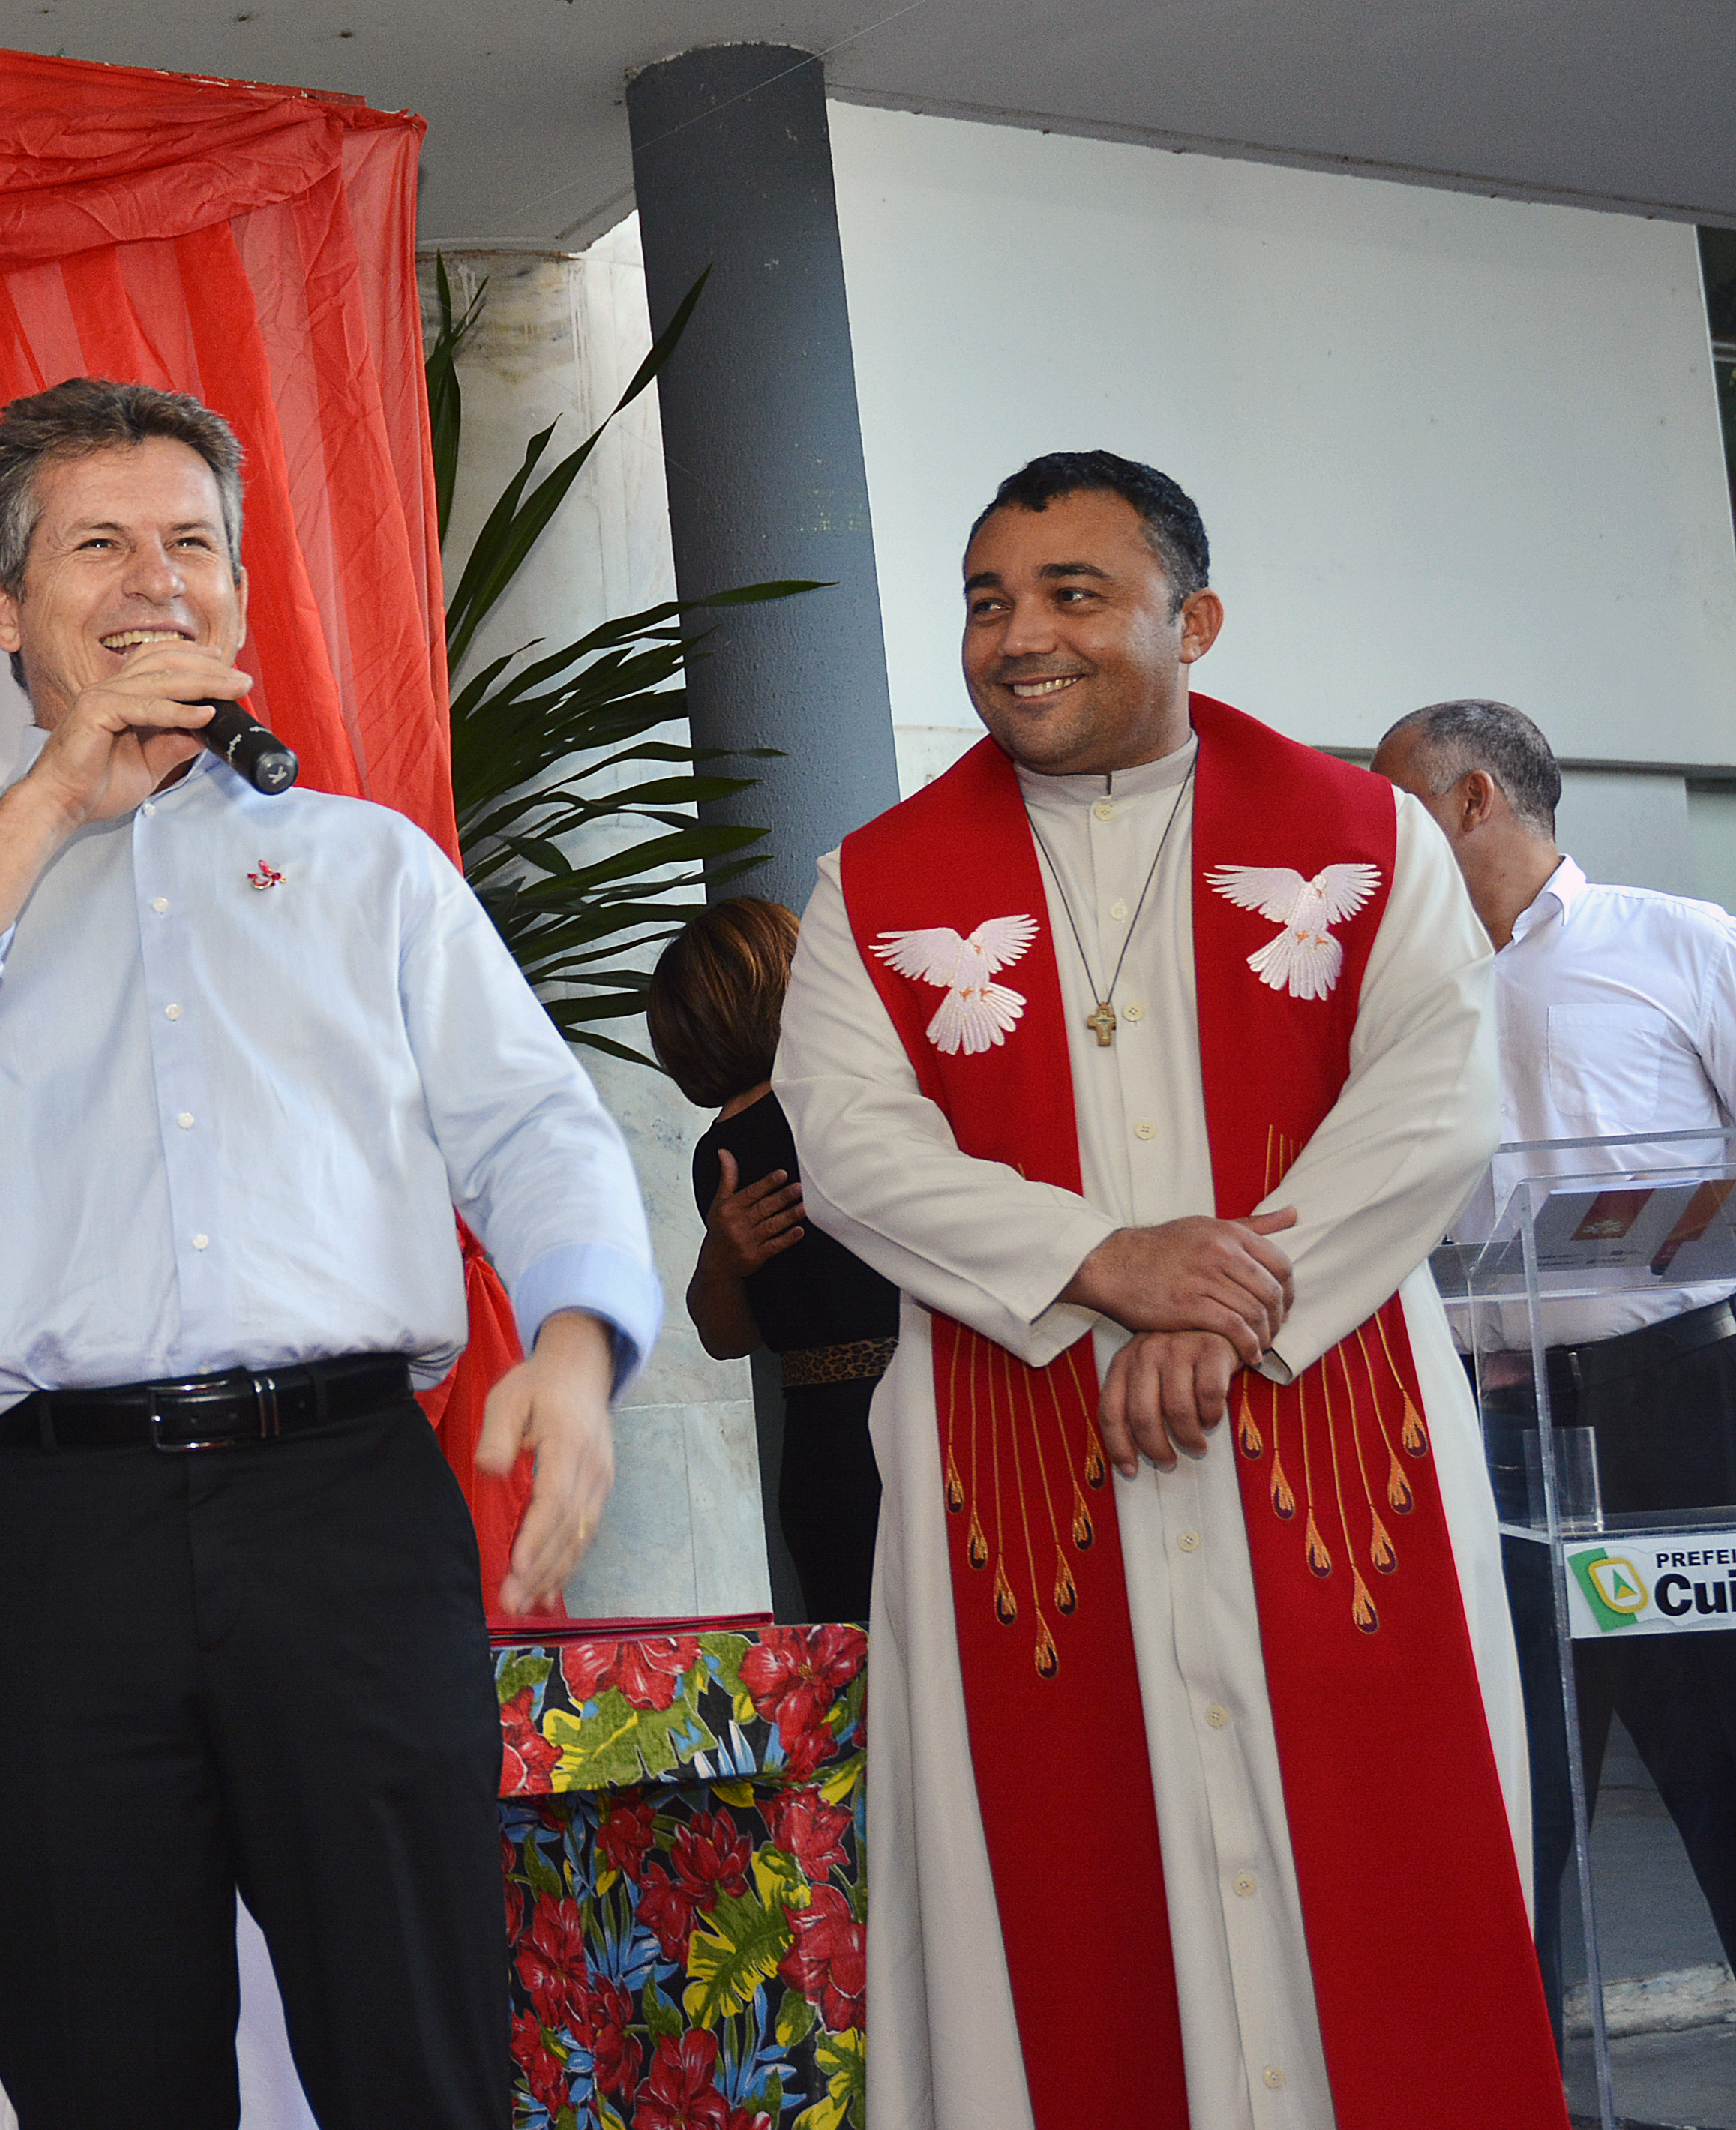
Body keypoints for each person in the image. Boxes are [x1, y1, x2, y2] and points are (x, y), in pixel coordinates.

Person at [0, 376, 658, 2129]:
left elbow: (540, 1132)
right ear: (2, 603)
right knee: (104, 2075)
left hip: (343, 1515)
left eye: (191, 544)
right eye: (98, 544)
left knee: (420, 2060)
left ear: (239, 592)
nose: (155, 580)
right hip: (48, 1537)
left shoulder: (368, 867)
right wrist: (52, 802)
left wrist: (573, 1340)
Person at [775, 449, 1562, 2126]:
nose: (1019, 636)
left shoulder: (1368, 837)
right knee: (1057, 1917)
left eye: (1074, 594)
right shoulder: (875, 883)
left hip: (1331, 1427)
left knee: (1377, 1884)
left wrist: (1219, 1305)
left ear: (1192, 622)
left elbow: (1435, 1100)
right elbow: (845, 1145)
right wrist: (1100, 1263)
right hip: (1018, 1446)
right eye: (988, 601)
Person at [1372, 696, 1736, 2032]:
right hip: (1484, 1426)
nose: (1371, 836)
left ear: (1473, 800)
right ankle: (1512, 2072)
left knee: (1718, 1746)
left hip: (1677, 1400)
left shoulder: (1678, 942)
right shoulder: (1393, 995)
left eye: (1396, 803)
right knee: (1506, 1771)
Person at [651, 896, 895, 1622]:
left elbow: (730, 1337)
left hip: (819, 1448)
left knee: (856, 1662)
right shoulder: (858, 1105)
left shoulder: (717, 1154)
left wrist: (719, 1266)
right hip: (918, 1415)